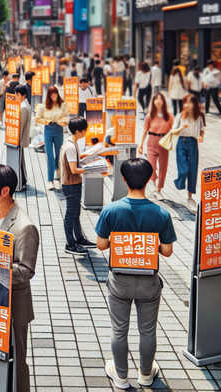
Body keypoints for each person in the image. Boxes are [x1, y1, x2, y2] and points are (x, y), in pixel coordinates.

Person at [96, 158, 176, 390]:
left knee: (119, 330)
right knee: (147, 330)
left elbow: (101, 245)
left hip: (119, 280)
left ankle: (120, 377)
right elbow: (168, 251)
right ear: (150, 179)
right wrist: (149, 246)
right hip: (149, 282)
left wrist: (121, 243)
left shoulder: (111, 210)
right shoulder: (161, 213)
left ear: (123, 179)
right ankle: (145, 374)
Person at [0, 165, 39, 392]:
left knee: (17, 359)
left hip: (15, 304)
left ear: (5, 191)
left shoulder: (25, 226)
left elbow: (26, 270)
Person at [59, 116, 97, 255]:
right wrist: (93, 169)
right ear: (78, 131)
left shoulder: (71, 142)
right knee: (71, 214)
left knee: (76, 213)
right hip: (71, 184)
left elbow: (74, 162)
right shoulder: (70, 147)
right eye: (85, 129)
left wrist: (87, 156)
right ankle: (71, 243)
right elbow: (74, 169)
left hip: (73, 183)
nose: (86, 131)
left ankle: (79, 238)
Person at [172, 94, 205, 210]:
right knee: (184, 170)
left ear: (194, 104)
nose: (186, 105)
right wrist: (181, 128)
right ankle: (179, 183)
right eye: (185, 102)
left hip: (193, 143)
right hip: (181, 142)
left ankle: (190, 197)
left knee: (193, 170)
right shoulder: (180, 116)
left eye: (189, 103)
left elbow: (202, 130)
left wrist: (201, 136)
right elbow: (173, 131)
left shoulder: (198, 117)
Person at [138, 93, 173, 201]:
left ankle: (158, 190)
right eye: (156, 99)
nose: (158, 101)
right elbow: (145, 130)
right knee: (151, 166)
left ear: (163, 101)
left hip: (164, 142)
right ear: (153, 102)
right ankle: (153, 181)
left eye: (160, 99)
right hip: (152, 141)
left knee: (163, 167)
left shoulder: (169, 116)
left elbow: (173, 129)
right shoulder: (150, 115)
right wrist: (141, 144)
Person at [35, 86, 69, 190]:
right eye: (52, 95)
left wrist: (61, 121)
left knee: (59, 153)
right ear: (49, 96)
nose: (54, 97)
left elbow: (67, 117)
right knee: (49, 155)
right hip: (48, 129)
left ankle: (58, 170)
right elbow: (37, 118)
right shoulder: (44, 105)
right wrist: (46, 121)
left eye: (55, 94)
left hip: (59, 129)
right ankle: (50, 180)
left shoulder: (63, 104)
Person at [15, 84, 32, 192]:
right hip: (21, 139)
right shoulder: (26, 105)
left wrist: (16, 140)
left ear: (20, 95)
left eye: (16, 95)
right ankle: (23, 181)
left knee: (19, 161)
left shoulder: (23, 107)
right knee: (21, 161)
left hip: (20, 139)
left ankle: (21, 183)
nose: (15, 97)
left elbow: (20, 126)